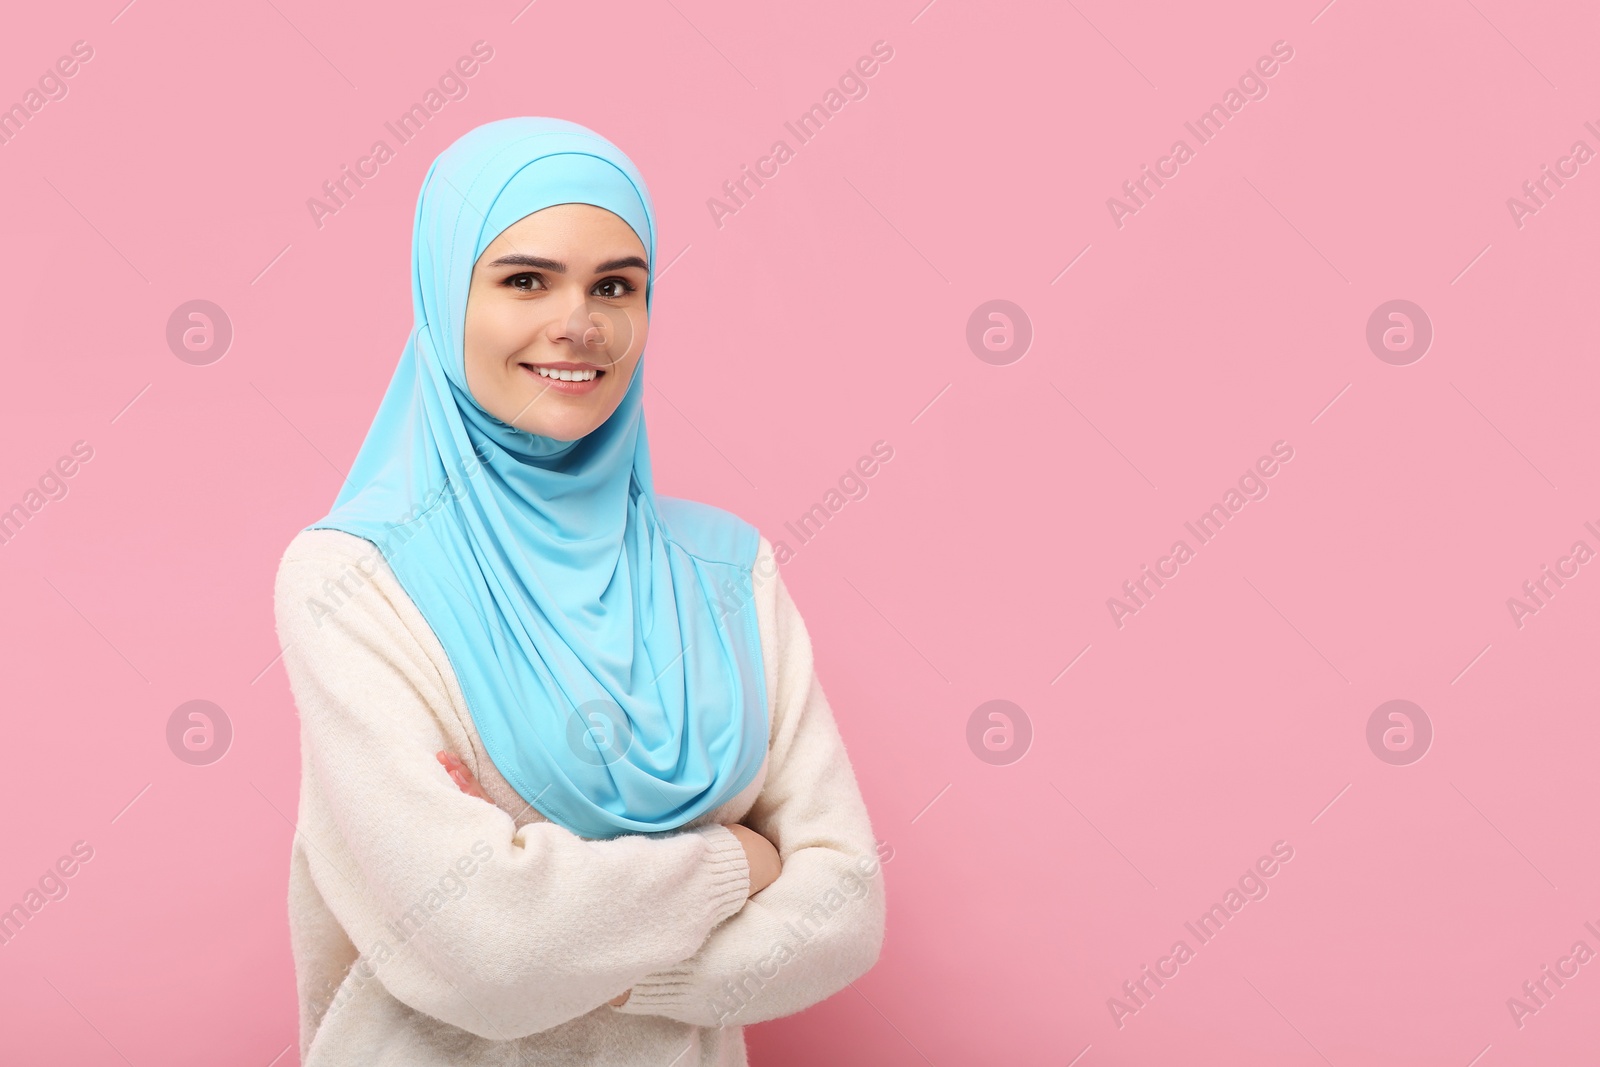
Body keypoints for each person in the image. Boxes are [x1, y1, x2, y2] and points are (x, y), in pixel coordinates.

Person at [271, 116, 886, 1065]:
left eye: (616, 286)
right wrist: (740, 862)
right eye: (525, 279)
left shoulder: (729, 571)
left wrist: (598, 949)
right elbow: (487, 945)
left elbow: (847, 904)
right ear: (444, 296)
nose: (579, 323)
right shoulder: (353, 578)